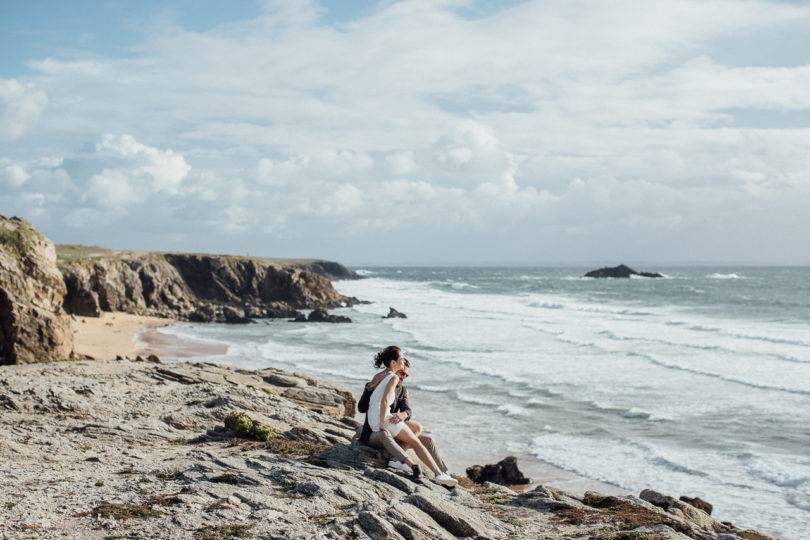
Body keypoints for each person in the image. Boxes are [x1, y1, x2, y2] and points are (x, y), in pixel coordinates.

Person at [361, 345, 457, 487]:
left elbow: (407, 410)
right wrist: (382, 424)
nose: (403, 376)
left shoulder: (383, 378)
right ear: (393, 364)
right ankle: (437, 474)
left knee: (424, 436)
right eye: (401, 361)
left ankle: (445, 474)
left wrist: (401, 414)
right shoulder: (391, 378)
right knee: (416, 442)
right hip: (380, 425)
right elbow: (379, 402)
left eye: (406, 375)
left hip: (380, 421)